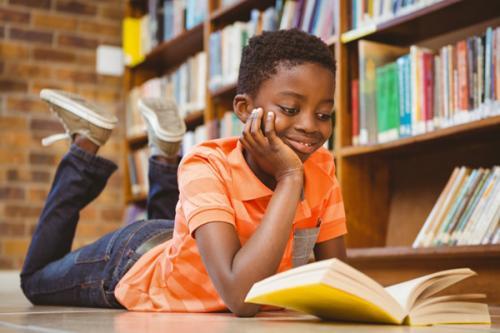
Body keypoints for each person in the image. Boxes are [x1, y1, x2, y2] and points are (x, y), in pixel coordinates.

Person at [21, 29, 347, 317]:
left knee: (183, 242)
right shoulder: (206, 165)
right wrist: (289, 178)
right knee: (35, 280)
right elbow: (242, 298)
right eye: (291, 109)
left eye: (323, 114)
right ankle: (85, 147)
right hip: (131, 263)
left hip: (188, 242)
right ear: (245, 109)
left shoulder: (322, 167)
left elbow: (337, 280)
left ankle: (164, 156)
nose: (309, 126)